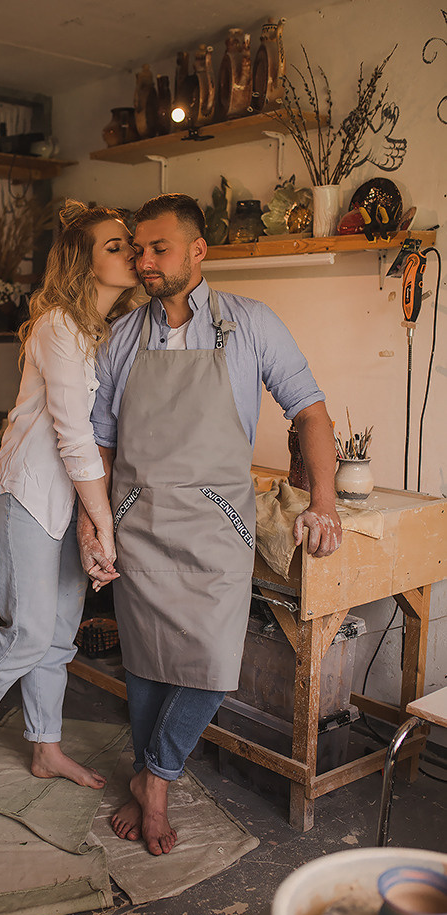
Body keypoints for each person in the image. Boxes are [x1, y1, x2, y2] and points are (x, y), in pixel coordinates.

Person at [78, 193, 342, 853]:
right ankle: (152, 781)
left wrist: (325, 502)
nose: (142, 261)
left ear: (198, 251)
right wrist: (96, 521)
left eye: (156, 248)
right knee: (144, 664)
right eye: (136, 249)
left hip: (217, 524)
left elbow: (309, 411)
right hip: (138, 518)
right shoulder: (120, 336)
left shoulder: (250, 323)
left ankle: (156, 777)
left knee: (213, 665)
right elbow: (100, 442)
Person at [0, 200, 138, 787]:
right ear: (82, 261)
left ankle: (45, 748)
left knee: (56, 634)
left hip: (71, 498)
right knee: (25, 630)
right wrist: (103, 523)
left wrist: (94, 514)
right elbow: (75, 437)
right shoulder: (58, 327)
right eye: (115, 246)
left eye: (129, 243)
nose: (130, 253)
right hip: (26, 492)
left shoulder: (102, 331)